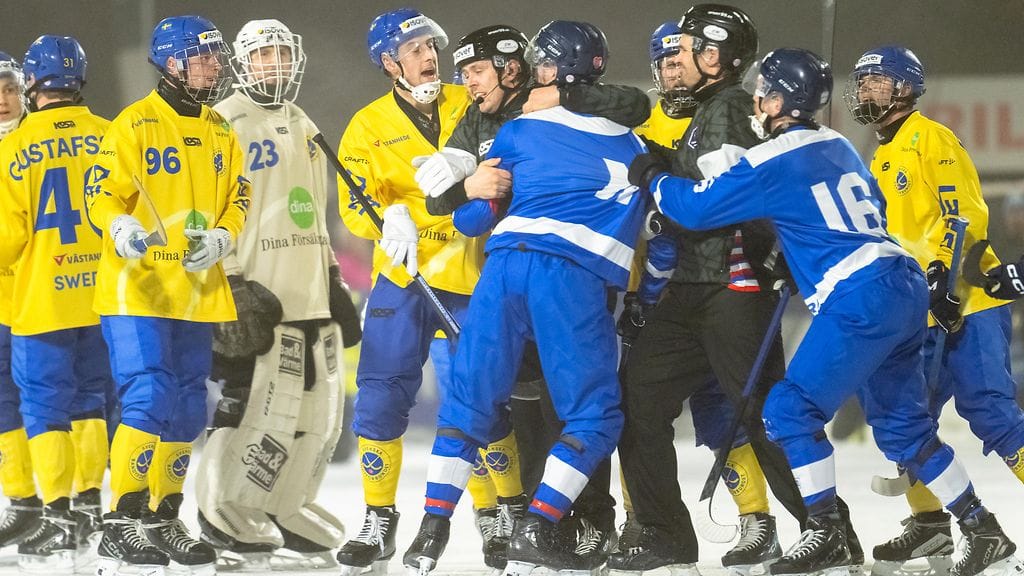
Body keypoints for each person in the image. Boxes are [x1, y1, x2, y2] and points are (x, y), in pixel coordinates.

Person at [630, 46, 1021, 576]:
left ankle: (827, 532)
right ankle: (981, 528)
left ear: (778, 100)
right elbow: (874, 209)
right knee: (904, 428)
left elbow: (691, 208)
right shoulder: (838, 143)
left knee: (788, 411)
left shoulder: (772, 158)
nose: (757, 100)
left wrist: (653, 174)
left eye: (764, 91)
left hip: (859, 293)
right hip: (902, 282)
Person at [401, 20, 647, 576]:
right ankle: (540, 526)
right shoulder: (637, 147)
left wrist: (471, 188)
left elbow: (471, 218)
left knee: (470, 405)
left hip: (504, 267)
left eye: (476, 71)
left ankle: (430, 531)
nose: (468, 83)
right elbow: (672, 206)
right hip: (571, 276)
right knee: (590, 416)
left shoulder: (519, 132)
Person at [608, 7, 817, 576]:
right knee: (639, 399)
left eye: (698, 50)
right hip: (694, 288)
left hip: (731, 283)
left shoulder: (727, 109)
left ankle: (825, 527)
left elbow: (713, 202)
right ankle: (664, 535)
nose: (684, 61)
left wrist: (655, 175)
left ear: (725, 59)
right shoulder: (709, 110)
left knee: (762, 412)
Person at [334, 9, 510, 575]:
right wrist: (387, 217)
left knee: (481, 395)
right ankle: (379, 518)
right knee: (380, 393)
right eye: (412, 49)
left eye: (430, 45)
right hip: (404, 274)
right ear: (389, 63)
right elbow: (351, 204)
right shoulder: (365, 124)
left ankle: (496, 512)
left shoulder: (472, 99)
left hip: (473, 272)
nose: (428, 55)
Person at [845, 45, 1024, 576]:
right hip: (917, 310)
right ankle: (930, 528)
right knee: (901, 418)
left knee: (990, 411)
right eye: (861, 81)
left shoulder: (932, 136)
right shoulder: (879, 153)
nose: (865, 89)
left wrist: (943, 279)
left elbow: (963, 210)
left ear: (905, 86)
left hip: (966, 300)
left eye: (876, 79)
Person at [191, 18, 362, 570]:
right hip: (257, 291)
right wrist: (231, 282)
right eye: (265, 55)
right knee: (253, 410)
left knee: (317, 416)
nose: (277, 64)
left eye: (283, 53)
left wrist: (332, 275)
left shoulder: (303, 122)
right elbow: (209, 211)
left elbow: (318, 210)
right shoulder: (224, 121)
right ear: (243, 62)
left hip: (307, 290)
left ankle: (286, 506)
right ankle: (221, 508)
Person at [85, 14, 249, 576]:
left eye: (214, 57)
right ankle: (119, 523)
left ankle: (161, 516)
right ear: (173, 63)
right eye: (203, 57)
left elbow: (239, 196)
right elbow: (99, 191)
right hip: (139, 287)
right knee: (149, 394)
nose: (214, 66)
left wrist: (227, 233)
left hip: (196, 286)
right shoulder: (133, 125)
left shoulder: (222, 130)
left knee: (184, 407)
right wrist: (119, 226)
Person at [0, 35, 112, 569]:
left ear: (30, 85)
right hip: (102, 299)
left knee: (43, 407)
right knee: (91, 400)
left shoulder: (13, 147)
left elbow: (7, 241)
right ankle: (90, 504)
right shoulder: (111, 136)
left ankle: (59, 514)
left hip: (39, 298)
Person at [0, 50, 42, 552]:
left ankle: (68, 506)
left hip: (42, 293)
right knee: (4, 403)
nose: (3, 99)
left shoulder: (42, 141)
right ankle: (24, 501)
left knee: (57, 401)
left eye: (10, 87)